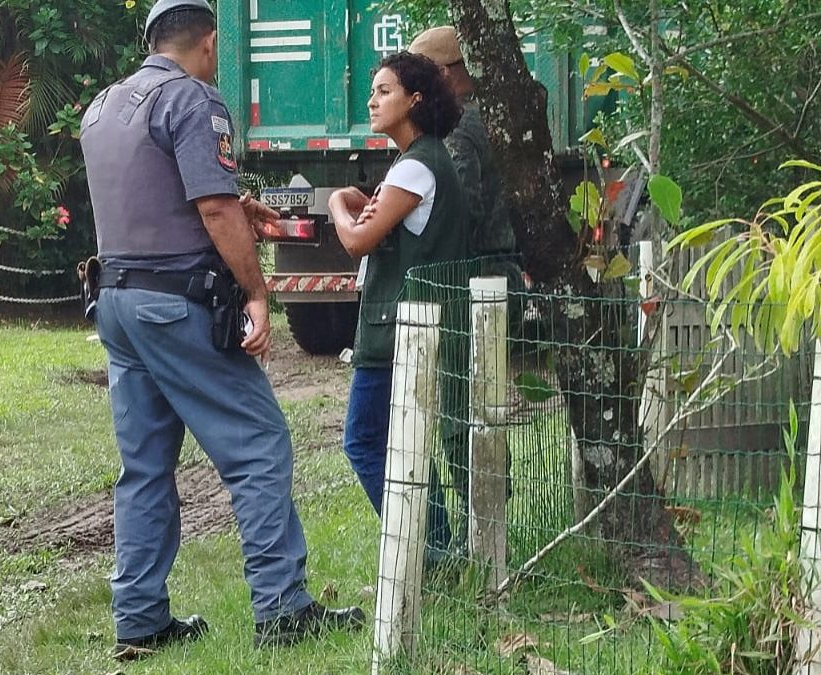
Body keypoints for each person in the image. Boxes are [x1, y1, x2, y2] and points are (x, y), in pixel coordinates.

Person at [79, 0, 365, 659]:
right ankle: (282, 606)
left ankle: (140, 619)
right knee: (259, 443)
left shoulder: (104, 106)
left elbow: (153, 193)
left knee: (145, 467)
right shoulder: (192, 100)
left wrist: (236, 204)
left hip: (117, 303)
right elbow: (209, 206)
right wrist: (257, 293)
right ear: (209, 44)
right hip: (176, 305)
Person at [327, 52, 470, 548]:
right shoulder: (423, 161)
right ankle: (437, 549)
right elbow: (378, 224)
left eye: (384, 91)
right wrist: (356, 205)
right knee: (403, 445)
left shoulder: (413, 168)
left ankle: (429, 549)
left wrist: (335, 204)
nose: (372, 100)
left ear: (415, 99)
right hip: (416, 321)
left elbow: (356, 241)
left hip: (395, 329)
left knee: (364, 442)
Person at [410, 26, 526, 325]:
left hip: (474, 282)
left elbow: (463, 206)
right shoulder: (493, 114)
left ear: (443, 74)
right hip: (499, 275)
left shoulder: (458, 125)